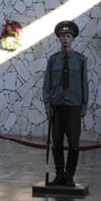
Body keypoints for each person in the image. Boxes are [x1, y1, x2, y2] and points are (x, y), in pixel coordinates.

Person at [42, 21, 89, 187]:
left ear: (73, 39)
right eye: (62, 36)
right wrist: (47, 105)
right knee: (56, 143)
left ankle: (70, 175)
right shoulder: (53, 60)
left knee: (74, 144)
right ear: (59, 39)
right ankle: (59, 175)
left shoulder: (80, 60)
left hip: (74, 107)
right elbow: (47, 84)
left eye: (68, 36)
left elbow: (84, 84)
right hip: (56, 106)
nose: (65, 39)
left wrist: (84, 105)